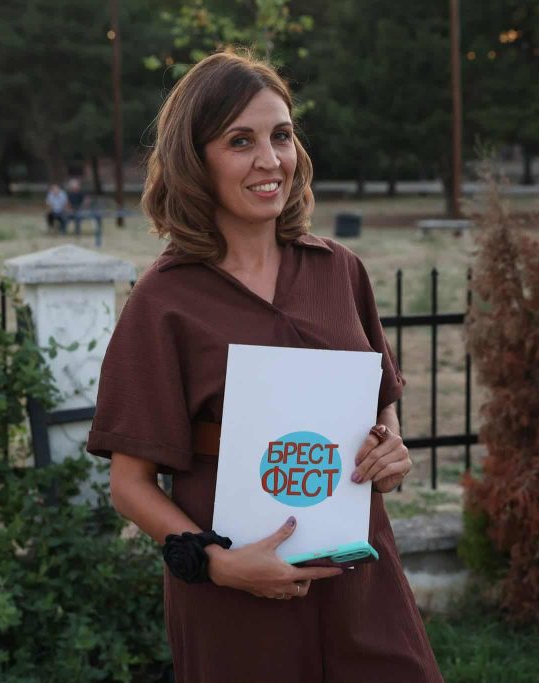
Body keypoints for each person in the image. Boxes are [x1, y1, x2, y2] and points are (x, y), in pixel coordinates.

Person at [86, 49, 443, 683]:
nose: (270, 160)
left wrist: (390, 450)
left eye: (281, 135)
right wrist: (216, 564)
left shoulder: (339, 270)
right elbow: (129, 485)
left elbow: (379, 404)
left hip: (360, 577)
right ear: (194, 161)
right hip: (235, 593)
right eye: (239, 141)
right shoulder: (165, 299)